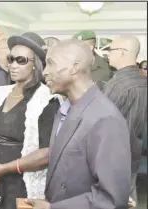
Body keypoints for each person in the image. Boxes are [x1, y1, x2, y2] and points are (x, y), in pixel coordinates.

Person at [22, 39, 131, 209]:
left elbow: (111, 200)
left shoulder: (105, 119)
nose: (44, 72)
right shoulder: (64, 110)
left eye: (51, 64)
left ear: (74, 67)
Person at [0, 32, 60, 209]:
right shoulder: (0, 92)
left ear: (35, 65)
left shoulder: (46, 99)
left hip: (22, 184)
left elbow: (47, 153)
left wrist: (3, 169)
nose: (13, 65)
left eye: (21, 60)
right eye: (11, 59)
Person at [104, 35, 147, 205]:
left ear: (122, 53)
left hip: (112, 159)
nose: (107, 54)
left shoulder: (118, 85)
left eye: (111, 50)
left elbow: (102, 125)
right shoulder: (142, 81)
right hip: (132, 154)